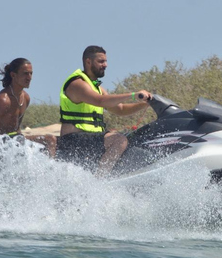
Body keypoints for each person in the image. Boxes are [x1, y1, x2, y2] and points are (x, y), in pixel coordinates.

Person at [57, 45, 152, 173]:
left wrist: (146, 104)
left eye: (106, 61)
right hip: (73, 140)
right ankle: (100, 179)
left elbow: (121, 109)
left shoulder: (97, 87)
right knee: (119, 140)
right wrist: (134, 95)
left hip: (90, 139)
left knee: (132, 140)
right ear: (88, 62)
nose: (105, 65)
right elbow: (100, 101)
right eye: (101, 61)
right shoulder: (77, 84)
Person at [0, 57, 56, 157]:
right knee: (19, 142)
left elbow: (17, 128)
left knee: (50, 139)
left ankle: (49, 166)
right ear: (13, 75)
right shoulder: (3, 100)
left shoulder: (25, 98)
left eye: (31, 73)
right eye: (25, 74)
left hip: (17, 139)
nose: (29, 77)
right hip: (2, 143)